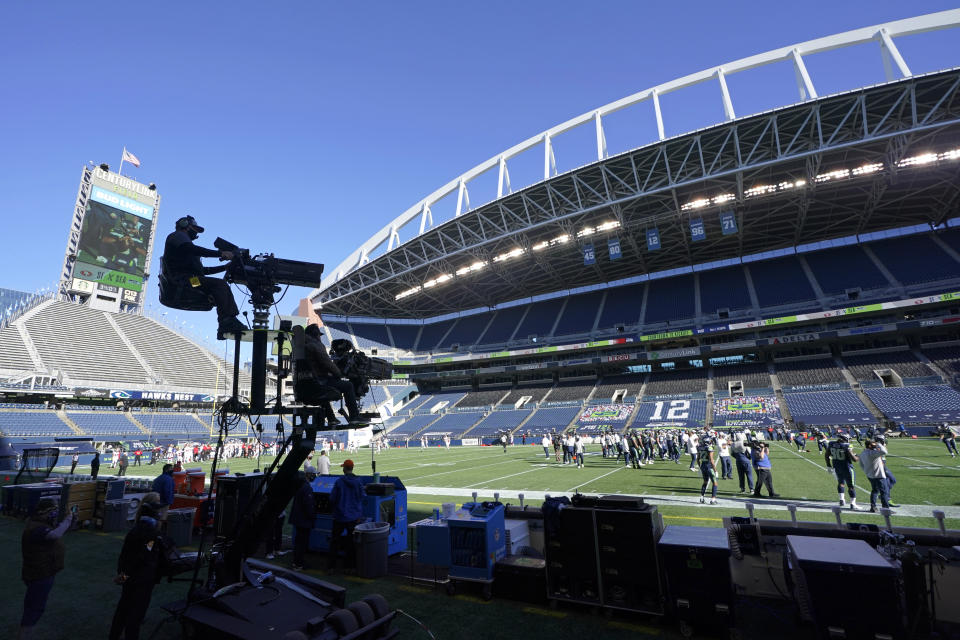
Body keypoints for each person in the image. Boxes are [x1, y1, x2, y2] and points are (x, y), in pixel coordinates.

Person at [160, 215, 245, 339]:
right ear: (184, 225)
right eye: (194, 228)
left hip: (191, 281)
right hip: (184, 281)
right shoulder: (177, 236)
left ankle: (225, 324)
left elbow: (202, 271)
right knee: (220, 285)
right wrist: (220, 253)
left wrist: (224, 268)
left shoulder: (187, 249)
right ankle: (226, 322)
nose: (196, 232)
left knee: (217, 286)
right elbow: (192, 249)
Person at [108, 495, 165, 640]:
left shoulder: (137, 529)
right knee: (135, 616)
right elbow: (143, 556)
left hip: (132, 577)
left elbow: (127, 556)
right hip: (140, 579)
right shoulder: (150, 533)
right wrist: (125, 575)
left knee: (123, 610)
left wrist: (124, 575)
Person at [19, 498, 76, 640]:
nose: (55, 513)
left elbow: (60, 530)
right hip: (39, 575)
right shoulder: (36, 527)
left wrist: (70, 519)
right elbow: (55, 534)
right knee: (33, 610)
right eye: (53, 510)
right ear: (45, 512)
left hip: (43, 572)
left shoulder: (40, 524)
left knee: (35, 608)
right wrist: (68, 520)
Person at [298, 324, 364, 424]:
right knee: (348, 386)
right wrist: (338, 374)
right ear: (315, 335)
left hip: (305, 386)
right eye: (319, 335)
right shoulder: (315, 345)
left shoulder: (299, 348)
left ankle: (331, 418)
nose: (320, 338)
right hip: (317, 384)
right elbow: (327, 363)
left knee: (325, 386)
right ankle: (354, 416)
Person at [329, 459, 365, 572]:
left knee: (335, 541)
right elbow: (362, 496)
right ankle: (350, 566)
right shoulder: (358, 482)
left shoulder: (339, 482)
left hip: (340, 515)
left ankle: (332, 567)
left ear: (345, 469)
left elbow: (332, 498)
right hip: (354, 516)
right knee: (351, 542)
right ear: (352, 468)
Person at [290, 466, 317, 571]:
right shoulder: (307, 488)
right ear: (309, 474)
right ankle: (299, 563)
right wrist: (312, 517)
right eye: (314, 474)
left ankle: (296, 562)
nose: (315, 476)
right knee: (302, 543)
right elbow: (308, 506)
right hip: (303, 520)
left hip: (299, 518)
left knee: (299, 542)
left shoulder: (302, 485)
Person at [825, 433, 860, 510]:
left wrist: (828, 465)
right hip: (847, 468)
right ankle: (853, 504)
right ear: (845, 439)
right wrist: (858, 456)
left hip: (837, 467)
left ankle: (841, 500)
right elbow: (854, 459)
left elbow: (827, 455)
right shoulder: (847, 445)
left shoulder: (832, 444)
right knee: (851, 486)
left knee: (841, 483)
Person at [859, 439, 891, 513]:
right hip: (879, 475)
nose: (875, 444)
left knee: (875, 491)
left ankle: (873, 507)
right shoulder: (872, 453)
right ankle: (886, 509)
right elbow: (884, 452)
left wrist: (867, 471)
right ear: (870, 445)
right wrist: (879, 444)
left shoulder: (863, 453)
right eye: (873, 443)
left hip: (870, 475)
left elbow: (861, 465)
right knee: (884, 492)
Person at [698, 436, 719, 505]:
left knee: (705, 482)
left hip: (703, 466)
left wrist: (700, 467)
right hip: (708, 466)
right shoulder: (709, 448)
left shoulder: (700, 447)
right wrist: (715, 470)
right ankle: (713, 499)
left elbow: (698, 459)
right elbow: (711, 460)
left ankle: (702, 497)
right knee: (715, 483)